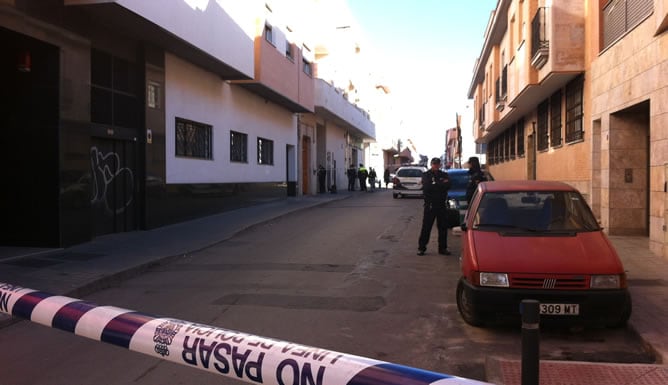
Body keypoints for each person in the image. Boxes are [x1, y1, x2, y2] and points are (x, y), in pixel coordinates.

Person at [418, 157, 451, 256]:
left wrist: (435, 184)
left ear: (440, 165)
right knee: (426, 228)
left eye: (437, 164)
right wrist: (440, 184)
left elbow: (448, 185)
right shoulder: (426, 175)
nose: (436, 166)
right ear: (431, 164)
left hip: (441, 205)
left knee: (443, 228)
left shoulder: (444, 174)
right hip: (430, 205)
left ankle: (442, 248)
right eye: (434, 164)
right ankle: (421, 248)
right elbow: (427, 187)